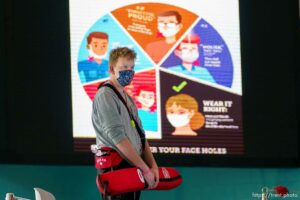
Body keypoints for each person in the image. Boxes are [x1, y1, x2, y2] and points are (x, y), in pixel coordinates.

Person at [92, 47, 159, 199]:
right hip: (116, 167)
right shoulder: (105, 95)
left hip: (133, 165)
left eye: (132, 68)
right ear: (111, 68)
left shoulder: (127, 99)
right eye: (123, 68)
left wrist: (152, 166)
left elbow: (140, 136)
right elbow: (118, 138)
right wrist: (144, 168)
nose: (129, 72)